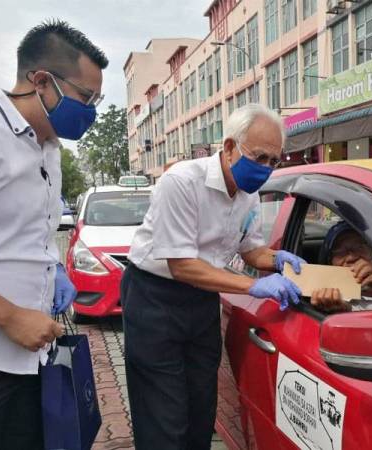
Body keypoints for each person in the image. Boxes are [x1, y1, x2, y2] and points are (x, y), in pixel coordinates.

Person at [0, 20, 108, 450]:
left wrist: (53, 268)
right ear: (40, 81)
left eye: (97, 99)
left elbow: (26, 235)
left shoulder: (48, 148)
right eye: (86, 97)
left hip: (33, 361)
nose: (91, 110)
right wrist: (9, 316)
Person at [123, 104, 305, 450]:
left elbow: (250, 250)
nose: (266, 169)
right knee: (163, 417)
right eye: (260, 157)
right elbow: (182, 265)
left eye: (274, 161)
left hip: (202, 299)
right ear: (230, 147)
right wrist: (254, 285)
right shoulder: (181, 182)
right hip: (155, 299)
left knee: (200, 411)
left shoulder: (248, 196)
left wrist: (278, 261)